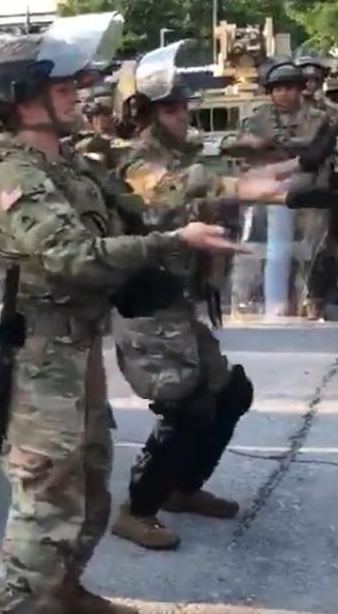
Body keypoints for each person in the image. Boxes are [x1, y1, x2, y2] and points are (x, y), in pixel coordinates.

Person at [0, 29, 244, 613]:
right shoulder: (15, 175)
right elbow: (70, 255)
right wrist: (171, 240)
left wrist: (207, 208)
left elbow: (135, 209)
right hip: (43, 357)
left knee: (92, 487)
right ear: (25, 99)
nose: (77, 93)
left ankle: (64, 592)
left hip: (79, 349)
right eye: (62, 85)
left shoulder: (70, 165)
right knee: (47, 496)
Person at [107, 41, 288, 551]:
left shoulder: (183, 153)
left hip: (178, 304)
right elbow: (187, 187)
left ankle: (182, 489)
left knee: (229, 392)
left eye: (184, 104)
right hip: (147, 304)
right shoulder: (136, 164)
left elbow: (231, 170)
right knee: (184, 405)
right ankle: (137, 510)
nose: (184, 113)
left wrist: (295, 168)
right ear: (142, 113)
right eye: (170, 107)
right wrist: (265, 188)